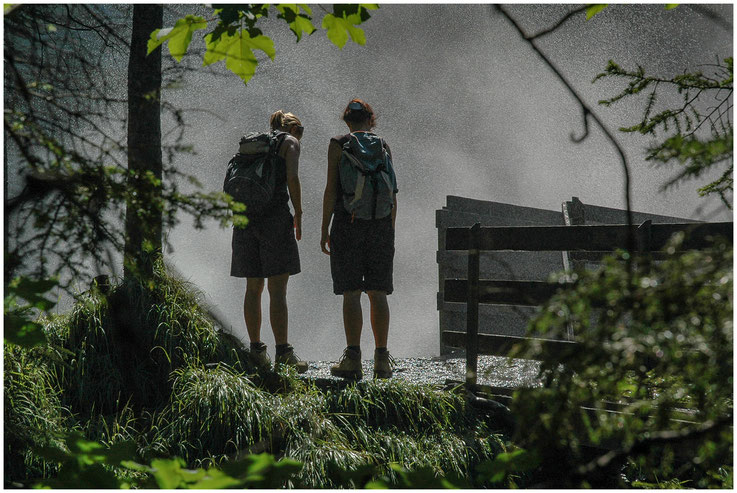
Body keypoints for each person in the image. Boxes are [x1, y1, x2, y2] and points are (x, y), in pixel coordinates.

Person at [320, 99, 398, 379]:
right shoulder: (383, 145)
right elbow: (393, 195)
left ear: (346, 120)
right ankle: (382, 360)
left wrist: (324, 228)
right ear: (370, 119)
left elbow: (331, 189)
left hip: (348, 224)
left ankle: (353, 359)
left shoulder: (339, 144)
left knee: (351, 292)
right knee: (378, 292)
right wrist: (389, 231)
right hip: (380, 226)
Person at [230, 110, 307, 373]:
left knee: (253, 287)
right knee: (277, 290)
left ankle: (255, 352)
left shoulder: (256, 145)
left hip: (245, 220)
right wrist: (298, 212)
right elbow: (293, 179)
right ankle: (283, 353)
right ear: (295, 129)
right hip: (274, 220)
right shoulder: (289, 143)